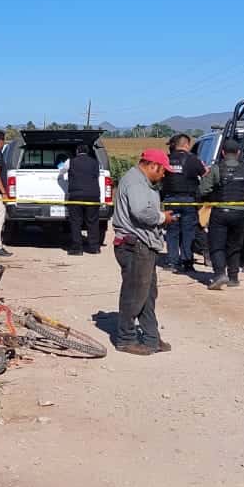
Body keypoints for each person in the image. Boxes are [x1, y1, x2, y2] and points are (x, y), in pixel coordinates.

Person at [110, 149, 178, 356]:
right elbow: (140, 211)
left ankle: (151, 337)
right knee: (134, 294)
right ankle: (126, 339)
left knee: (148, 294)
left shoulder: (143, 183)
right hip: (134, 245)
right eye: (162, 170)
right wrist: (161, 218)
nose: (164, 175)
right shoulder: (135, 182)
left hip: (144, 245)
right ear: (152, 165)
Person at [198, 138, 244, 290]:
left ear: (223, 152)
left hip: (220, 213)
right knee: (235, 246)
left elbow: (202, 190)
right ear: (238, 153)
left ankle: (219, 274)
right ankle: (233, 277)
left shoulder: (216, 168)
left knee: (217, 245)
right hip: (240, 214)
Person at [161, 134, 206, 272]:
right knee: (188, 232)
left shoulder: (166, 160)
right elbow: (205, 174)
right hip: (189, 201)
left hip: (170, 199)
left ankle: (172, 262)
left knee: (172, 231)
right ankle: (187, 262)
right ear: (186, 145)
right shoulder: (193, 159)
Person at [59, 142, 102, 255]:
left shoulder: (70, 161)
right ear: (87, 152)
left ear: (77, 151)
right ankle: (94, 247)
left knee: (76, 222)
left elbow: (61, 171)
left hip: (76, 196)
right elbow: (96, 175)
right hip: (93, 196)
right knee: (92, 222)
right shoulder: (95, 162)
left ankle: (77, 248)